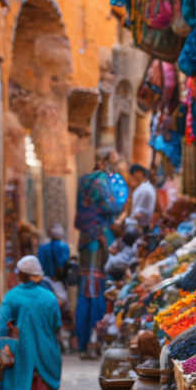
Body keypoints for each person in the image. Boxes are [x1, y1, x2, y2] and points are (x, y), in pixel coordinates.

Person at [0, 255, 62, 390]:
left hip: (20, 351)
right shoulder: (49, 298)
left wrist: (2, 350)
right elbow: (56, 324)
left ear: (21, 274)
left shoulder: (12, 296)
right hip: (44, 351)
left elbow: (2, 327)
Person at [73, 151, 128, 353]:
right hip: (98, 239)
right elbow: (112, 205)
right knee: (95, 288)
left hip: (86, 239)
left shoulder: (83, 181)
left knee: (86, 288)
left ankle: (83, 340)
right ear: (103, 162)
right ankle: (93, 341)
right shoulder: (101, 181)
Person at [128, 164, 157, 231]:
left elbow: (138, 213)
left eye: (133, 174)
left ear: (139, 173)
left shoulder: (144, 189)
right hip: (140, 224)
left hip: (139, 226)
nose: (132, 177)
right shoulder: (145, 187)